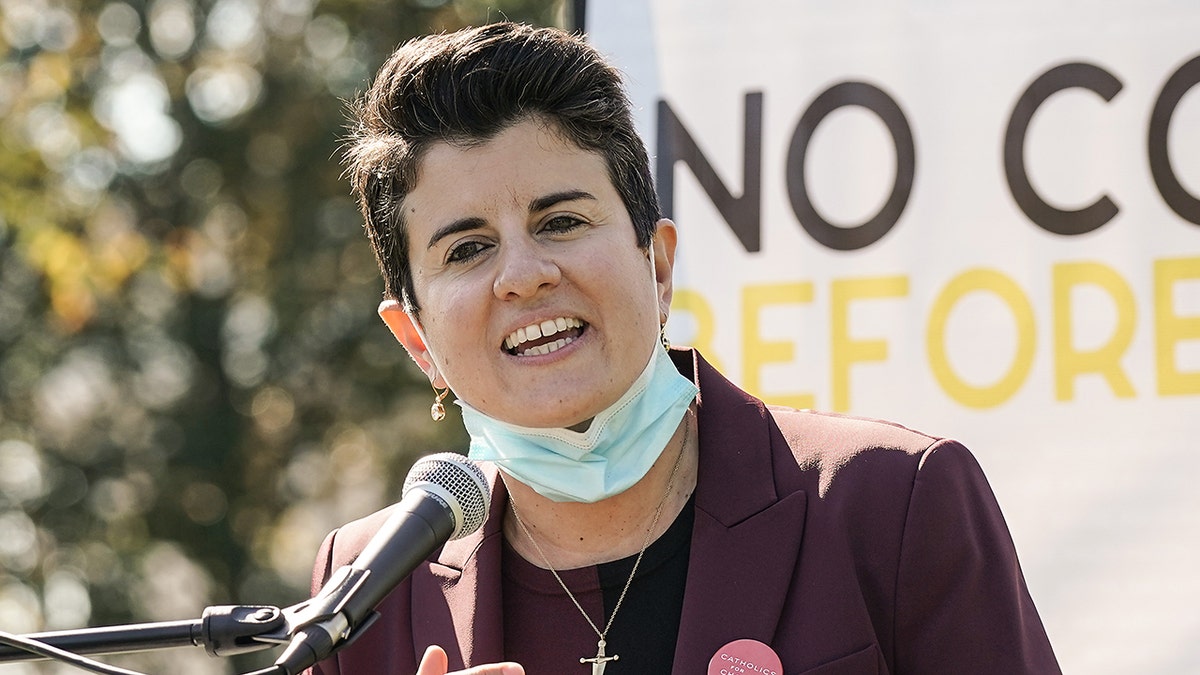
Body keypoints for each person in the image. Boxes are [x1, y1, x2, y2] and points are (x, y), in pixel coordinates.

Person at [308, 21, 1060, 675]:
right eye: (468, 248)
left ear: (658, 265)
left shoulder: (892, 503)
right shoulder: (364, 589)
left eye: (562, 221)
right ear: (417, 341)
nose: (525, 276)